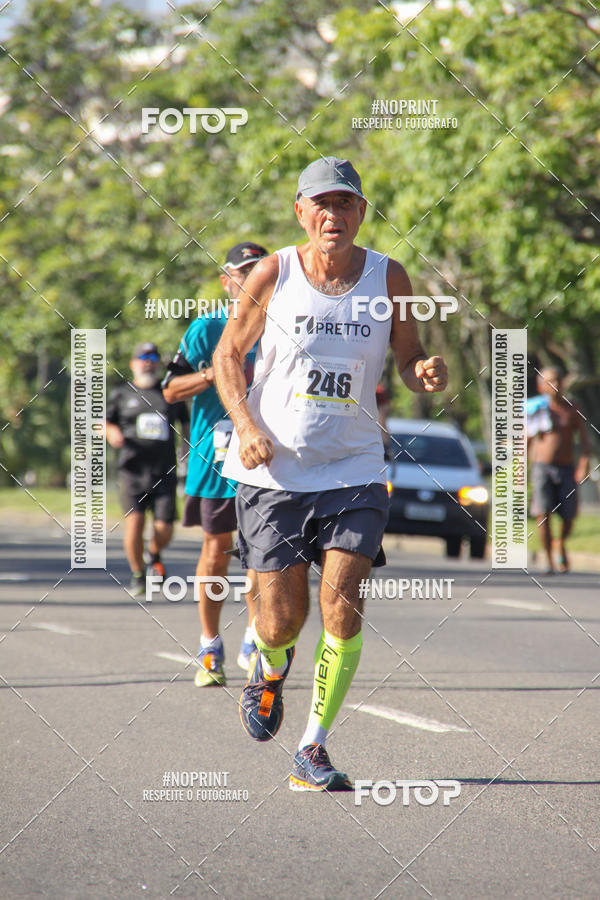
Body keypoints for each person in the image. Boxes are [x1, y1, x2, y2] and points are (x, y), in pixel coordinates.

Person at [213, 156, 448, 791]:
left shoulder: (387, 276)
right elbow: (227, 355)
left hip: (355, 466)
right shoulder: (276, 272)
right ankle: (269, 664)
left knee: (343, 606)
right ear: (300, 212)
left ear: (361, 213)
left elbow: (407, 356)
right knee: (280, 621)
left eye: (344, 203)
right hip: (275, 473)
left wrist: (422, 373)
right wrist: (246, 426)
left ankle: (311, 749)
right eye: (320, 203)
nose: (332, 214)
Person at [162, 242, 268, 686]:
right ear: (227, 282)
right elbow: (169, 389)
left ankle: (254, 634)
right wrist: (213, 374)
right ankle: (209, 644)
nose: (250, 278)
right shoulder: (205, 329)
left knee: (264, 557)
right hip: (216, 457)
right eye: (242, 272)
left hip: (265, 458)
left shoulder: (284, 327)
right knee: (216, 550)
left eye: (258, 270)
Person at [106, 342, 189, 596]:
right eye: (142, 357)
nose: (148, 362)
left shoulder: (168, 394)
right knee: (135, 525)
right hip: (132, 471)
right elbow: (105, 423)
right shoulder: (121, 394)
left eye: (153, 357)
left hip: (164, 471)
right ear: (133, 363)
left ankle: (153, 553)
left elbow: (186, 426)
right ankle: (138, 574)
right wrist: (112, 433)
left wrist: (187, 453)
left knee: (165, 528)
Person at [528, 367, 591, 573]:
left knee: (569, 516)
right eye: (549, 381)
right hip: (541, 468)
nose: (554, 385)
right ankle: (549, 560)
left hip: (566, 468)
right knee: (542, 514)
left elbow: (584, 441)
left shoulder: (572, 408)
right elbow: (525, 439)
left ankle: (560, 543)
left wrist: (583, 464)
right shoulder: (536, 409)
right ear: (541, 386)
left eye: (557, 380)